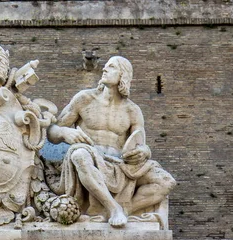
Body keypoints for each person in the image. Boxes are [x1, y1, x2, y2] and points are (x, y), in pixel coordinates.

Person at [47, 56, 176, 227]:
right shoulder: (84, 99)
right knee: (79, 155)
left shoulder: (132, 110)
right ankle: (112, 207)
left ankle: (126, 209)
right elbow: (51, 132)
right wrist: (64, 132)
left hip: (121, 164)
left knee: (166, 182)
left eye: (111, 67)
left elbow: (141, 142)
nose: (104, 70)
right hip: (90, 155)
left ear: (123, 75)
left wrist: (144, 152)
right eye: (105, 66)